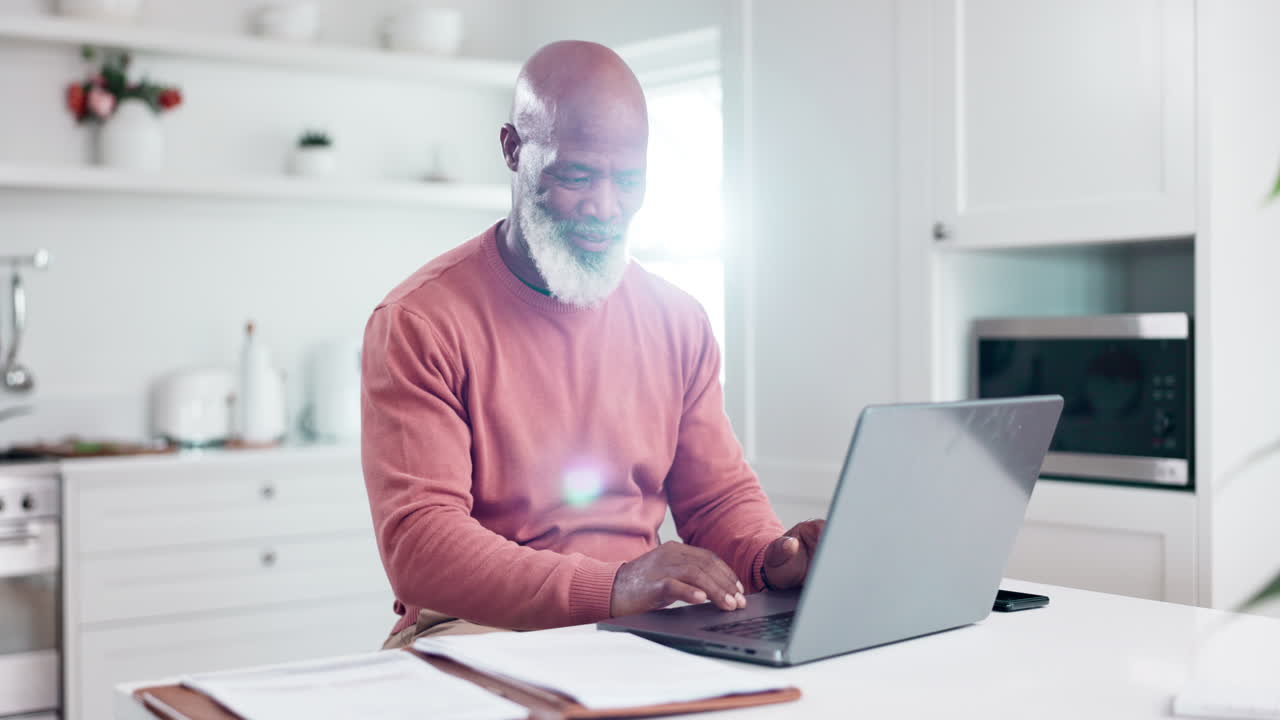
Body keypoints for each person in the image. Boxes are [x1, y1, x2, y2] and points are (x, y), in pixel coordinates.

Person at [363, 40, 824, 648]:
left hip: (640, 619)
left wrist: (772, 559)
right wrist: (613, 586)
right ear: (512, 149)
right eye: (577, 175)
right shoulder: (421, 320)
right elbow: (421, 546)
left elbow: (716, 501)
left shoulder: (678, 320)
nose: (605, 207)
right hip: (476, 626)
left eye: (628, 180)